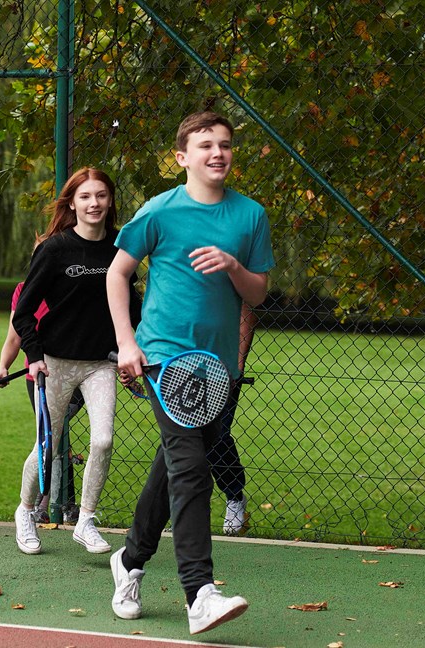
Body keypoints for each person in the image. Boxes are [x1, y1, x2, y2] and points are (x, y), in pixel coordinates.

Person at [107, 111, 274, 635]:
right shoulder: (160, 211)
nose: (217, 153)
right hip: (163, 359)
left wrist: (233, 267)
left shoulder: (250, 217)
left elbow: (258, 293)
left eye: (225, 145)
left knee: (176, 463)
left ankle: (130, 560)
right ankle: (199, 593)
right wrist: (127, 344)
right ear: (183, 157)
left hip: (216, 365)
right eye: (205, 146)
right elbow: (117, 274)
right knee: (191, 468)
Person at [11, 167, 139, 556]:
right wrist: (33, 358)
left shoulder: (121, 247)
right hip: (53, 363)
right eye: (85, 196)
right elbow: (23, 313)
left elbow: (131, 307)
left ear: (111, 201)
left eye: (101, 195)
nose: (94, 203)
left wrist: (132, 350)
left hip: (100, 364)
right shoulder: (54, 249)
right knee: (46, 446)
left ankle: (85, 521)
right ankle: (26, 512)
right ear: (72, 203)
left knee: (103, 439)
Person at [0, 281, 83, 525]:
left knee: (54, 432)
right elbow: (14, 338)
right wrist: (3, 367)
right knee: (51, 435)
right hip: (38, 378)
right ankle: (64, 503)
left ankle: (49, 503)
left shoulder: (72, 284)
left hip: (74, 374)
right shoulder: (24, 290)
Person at [211, 303, 257, 536]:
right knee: (182, 441)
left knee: (217, 436)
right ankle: (184, 510)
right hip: (183, 365)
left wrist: (237, 366)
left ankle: (235, 495)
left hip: (223, 370)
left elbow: (246, 313)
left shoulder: (229, 268)